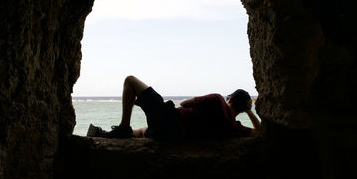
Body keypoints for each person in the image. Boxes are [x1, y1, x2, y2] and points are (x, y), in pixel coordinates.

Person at [87, 75, 261, 140]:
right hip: (174, 136)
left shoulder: (218, 100)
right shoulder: (233, 128)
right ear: (242, 109)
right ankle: (108, 134)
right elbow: (259, 131)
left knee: (130, 81)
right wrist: (250, 111)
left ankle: (124, 128)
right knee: (142, 132)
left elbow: (184, 104)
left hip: (172, 121)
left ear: (230, 98)